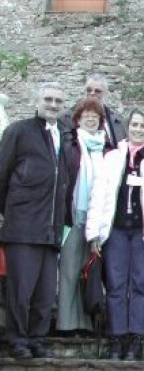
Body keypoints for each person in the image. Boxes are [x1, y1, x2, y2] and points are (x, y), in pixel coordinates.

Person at [86, 107, 144, 360]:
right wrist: (94, 232)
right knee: (115, 286)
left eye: (143, 126)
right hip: (116, 232)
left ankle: (136, 338)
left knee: (141, 285)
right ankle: (116, 339)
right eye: (134, 125)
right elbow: (99, 196)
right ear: (128, 127)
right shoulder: (113, 158)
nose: (138, 130)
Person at [0, 82, 72, 359]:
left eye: (58, 100)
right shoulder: (18, 132)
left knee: (44, 293)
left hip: (50, 229)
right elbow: (2, 177)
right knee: (21, 290)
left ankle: (37, 338)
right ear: (37, 101)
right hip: (22, 226)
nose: (53, 104)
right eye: (48, 99)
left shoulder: (62, 137)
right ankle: (18, 339)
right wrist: (13, 213)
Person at [57, 97, 107, 335]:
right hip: (73, 214)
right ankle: (67, 323)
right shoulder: (70, 144)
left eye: (95, 117)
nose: (90, 119)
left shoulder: (104, 148)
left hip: (96, 217)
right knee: (69, 268)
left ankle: (85, 323)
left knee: (89, 270)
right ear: (77, 119)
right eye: (86, 115)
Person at [62, 73, 126, 149]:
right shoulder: (68, 117)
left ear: (106, 93)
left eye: (97, 91)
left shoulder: (117, 121)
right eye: (89, 90)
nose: (92, 93)